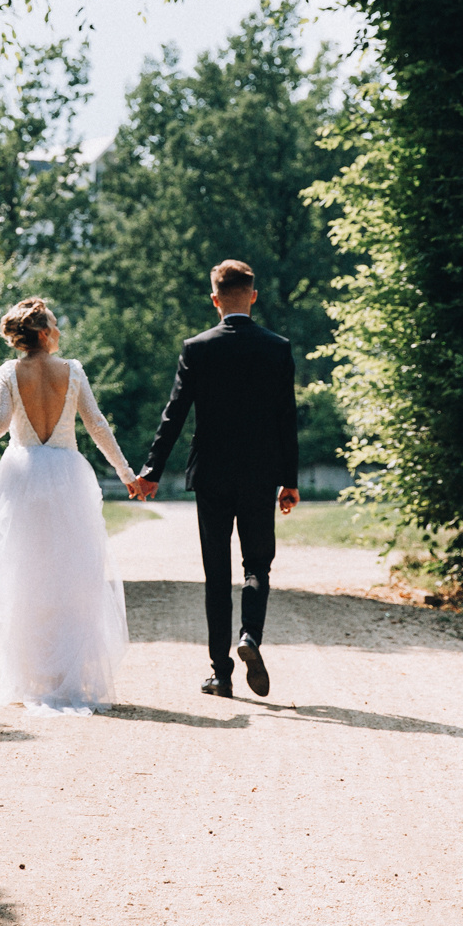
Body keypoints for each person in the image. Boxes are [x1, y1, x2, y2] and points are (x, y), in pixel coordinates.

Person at [0, 297, 139, 713]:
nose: (59, 332)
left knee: (26, 577)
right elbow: (96, 425)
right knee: (72, 578)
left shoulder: (9, 372)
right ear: (41, 333)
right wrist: (127, 474)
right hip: (67, 478)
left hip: (22, 479)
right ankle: (66, 676)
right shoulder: (71, 370)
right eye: (54, 325)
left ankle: (32, 677)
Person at [127, 259, 299, 698]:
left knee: (217, 574)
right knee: (257, 564)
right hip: (261, 474)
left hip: (212, 475)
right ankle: (250, 637)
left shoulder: (197, 347)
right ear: (253, 296)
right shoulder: (277, 348)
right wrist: (290, 480)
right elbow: (286, 420)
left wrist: (151, 472)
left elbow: (175, 414)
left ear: (215, 299)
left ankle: (221, 675)